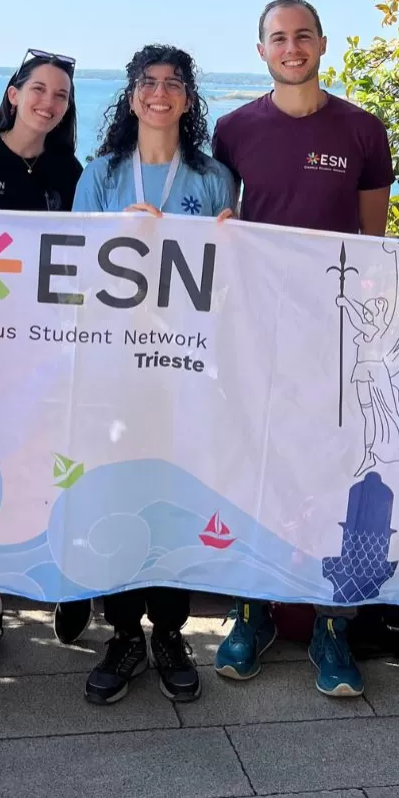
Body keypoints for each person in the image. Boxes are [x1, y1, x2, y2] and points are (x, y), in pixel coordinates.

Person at [210, 0, 393, 697]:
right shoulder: (231, 131)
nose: (291, 48)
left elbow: (370, 243)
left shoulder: (362, 130)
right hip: (255, 334)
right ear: (261, 51)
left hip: (336, 336)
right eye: (277, 38)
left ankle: (333, 624)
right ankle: (249, 608)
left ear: (323, 44)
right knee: (256, 470)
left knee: (337, 472)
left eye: (302, 36)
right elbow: (225, 225)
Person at [72, 43, 235, 705]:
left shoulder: (214, 178)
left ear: (188, 100)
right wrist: (116, 229)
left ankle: (168, 629)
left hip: (184, 368)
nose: (160, 93)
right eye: (148, 82)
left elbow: (226, 282)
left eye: (173, 84)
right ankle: (121, 632)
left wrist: (234, 239)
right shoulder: (103, 174)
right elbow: (74, 265)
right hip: (114, 366)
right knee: (117, 492)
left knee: (173, 493)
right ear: (133, 96)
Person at [0, 49, 94, 673]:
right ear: (13, 93)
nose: (48, 102)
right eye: (39, 89)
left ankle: (66, 581)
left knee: (59, 461)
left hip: (57, 347)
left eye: (60, 95)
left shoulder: (73, 168)